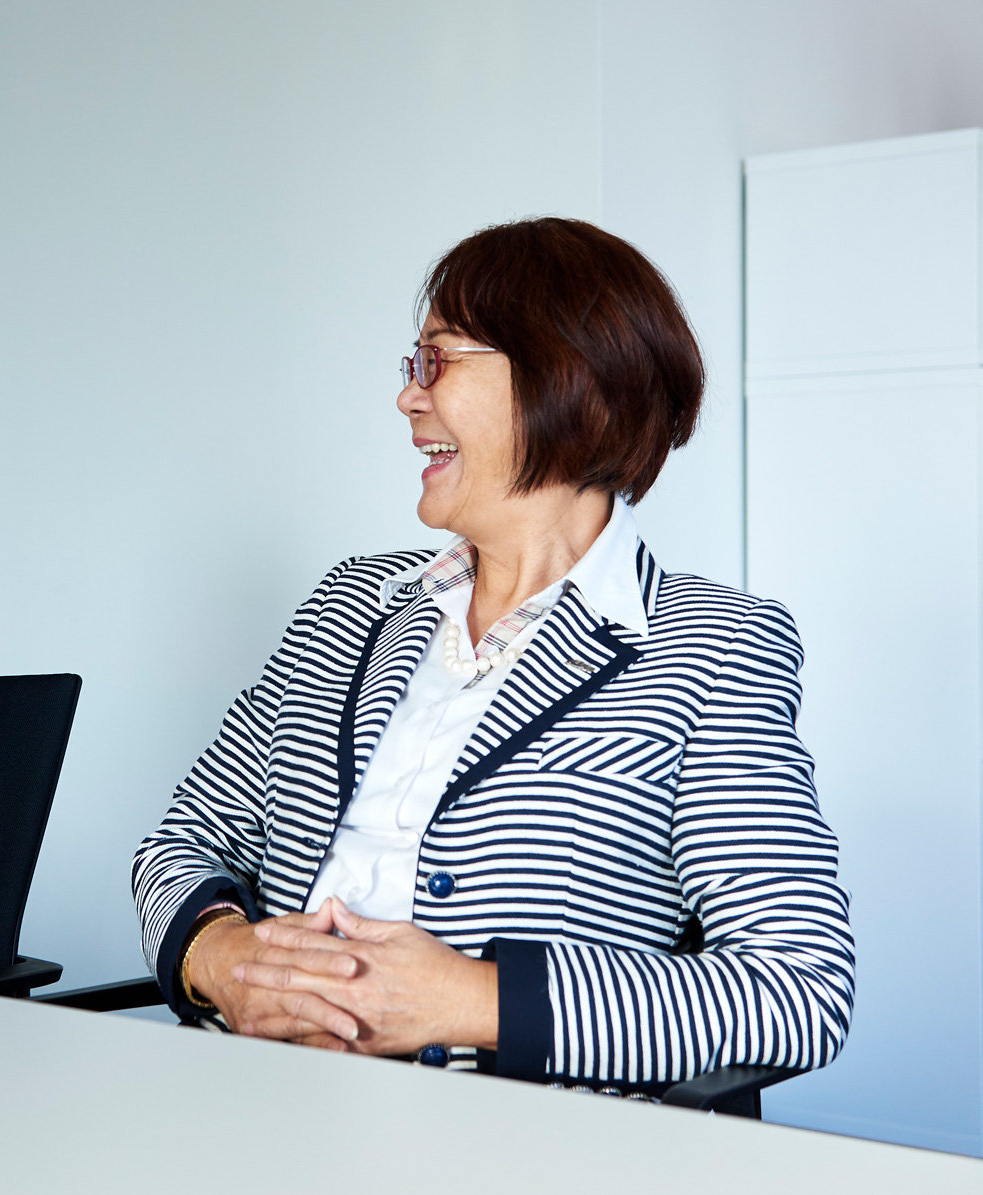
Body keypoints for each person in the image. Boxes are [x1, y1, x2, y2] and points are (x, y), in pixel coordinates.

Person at [132, 218, 854, 1089]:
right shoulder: (349, 603)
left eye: (440, 360)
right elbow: (180, 845)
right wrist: (222, 958)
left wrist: (477, 999)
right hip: (262, 1105)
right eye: (412, 364)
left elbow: (797, 985)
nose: (408, 397)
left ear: (571, 382)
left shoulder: (708, 645)